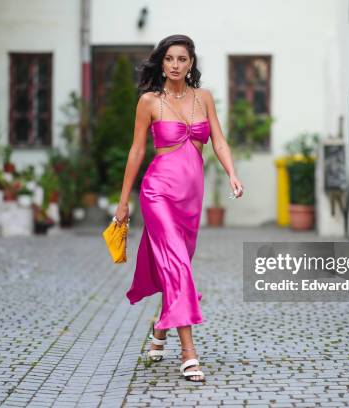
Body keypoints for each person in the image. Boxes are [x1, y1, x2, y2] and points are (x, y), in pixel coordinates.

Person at [114, 34, 244, 382]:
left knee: (177, 266)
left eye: (182, 59)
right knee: (177, 267)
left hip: (191, 198)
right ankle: (188, 353)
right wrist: (124, 200)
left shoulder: (203, 98)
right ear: (162, 62)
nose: (175, 65)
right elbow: (137, 152)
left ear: (191, 64)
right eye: (169, 59)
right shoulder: (149, 102)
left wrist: (232, 173)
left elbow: (218, 139)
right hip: (158, 193)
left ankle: (160, 328)